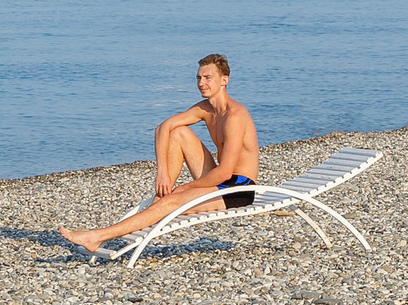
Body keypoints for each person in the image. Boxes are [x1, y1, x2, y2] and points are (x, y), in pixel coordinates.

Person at [59, 54, 262, 257]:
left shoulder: (234, 117)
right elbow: (162, 128)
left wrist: (185, 188)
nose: (201, 83)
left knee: (170, 203)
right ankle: (161, 197)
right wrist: (162, 173)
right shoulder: (206, 109)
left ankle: (96, 237)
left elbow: (225, 172)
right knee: (177, 132)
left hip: (238, 188)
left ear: (224, 80)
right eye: (198, 78)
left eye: (208, 78)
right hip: (220, 181)